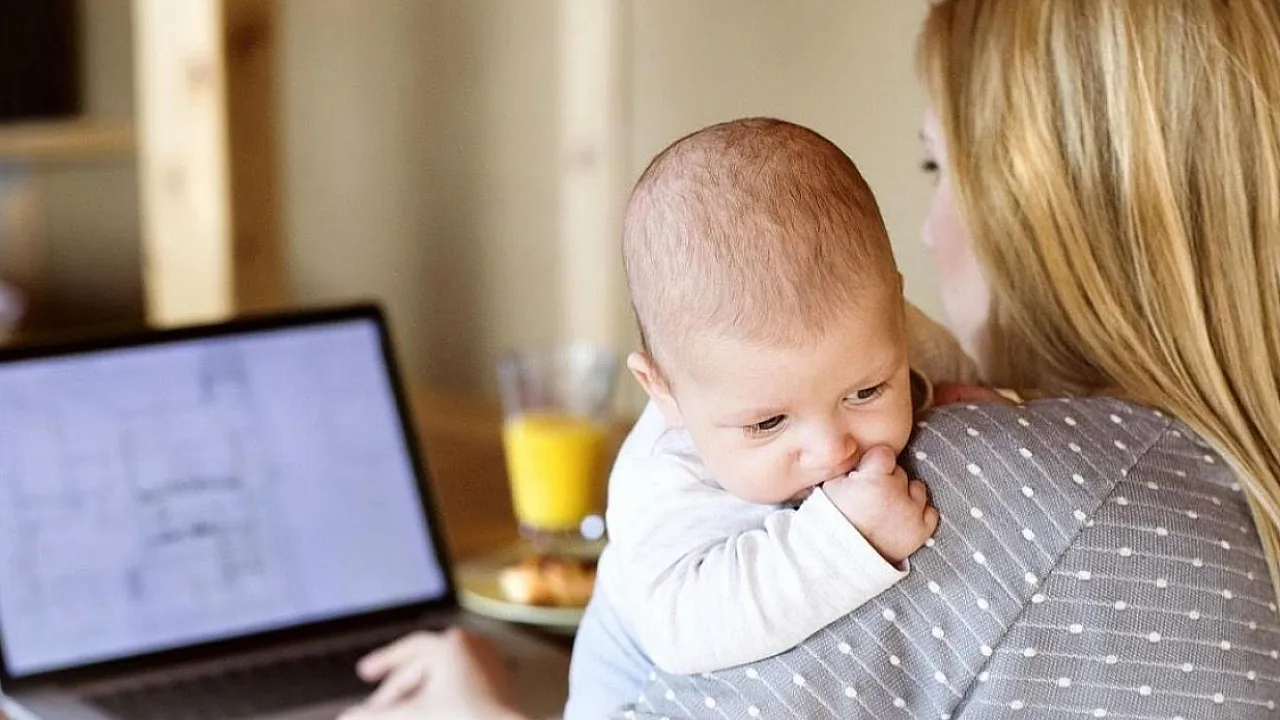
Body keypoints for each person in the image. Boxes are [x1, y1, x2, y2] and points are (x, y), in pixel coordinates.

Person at [340, 0, 1280, 717]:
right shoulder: (1211, 482)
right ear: (660, 392)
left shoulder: (992, 491)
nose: (835, 449)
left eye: (937, 167)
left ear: (1048, 211)